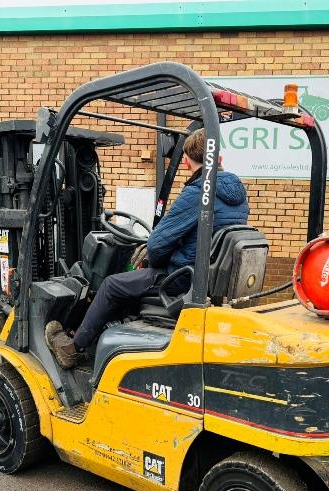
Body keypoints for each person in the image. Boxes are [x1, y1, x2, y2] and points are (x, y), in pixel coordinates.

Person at [45, 129, 249, 368]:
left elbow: (157, 243)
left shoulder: (199, 193)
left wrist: (152, 258)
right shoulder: (238, 195)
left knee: (111, 284)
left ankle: (73, 348)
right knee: (132, 281)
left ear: (185, 161)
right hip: (205, 275)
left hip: (181, 277)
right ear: (219, 160)